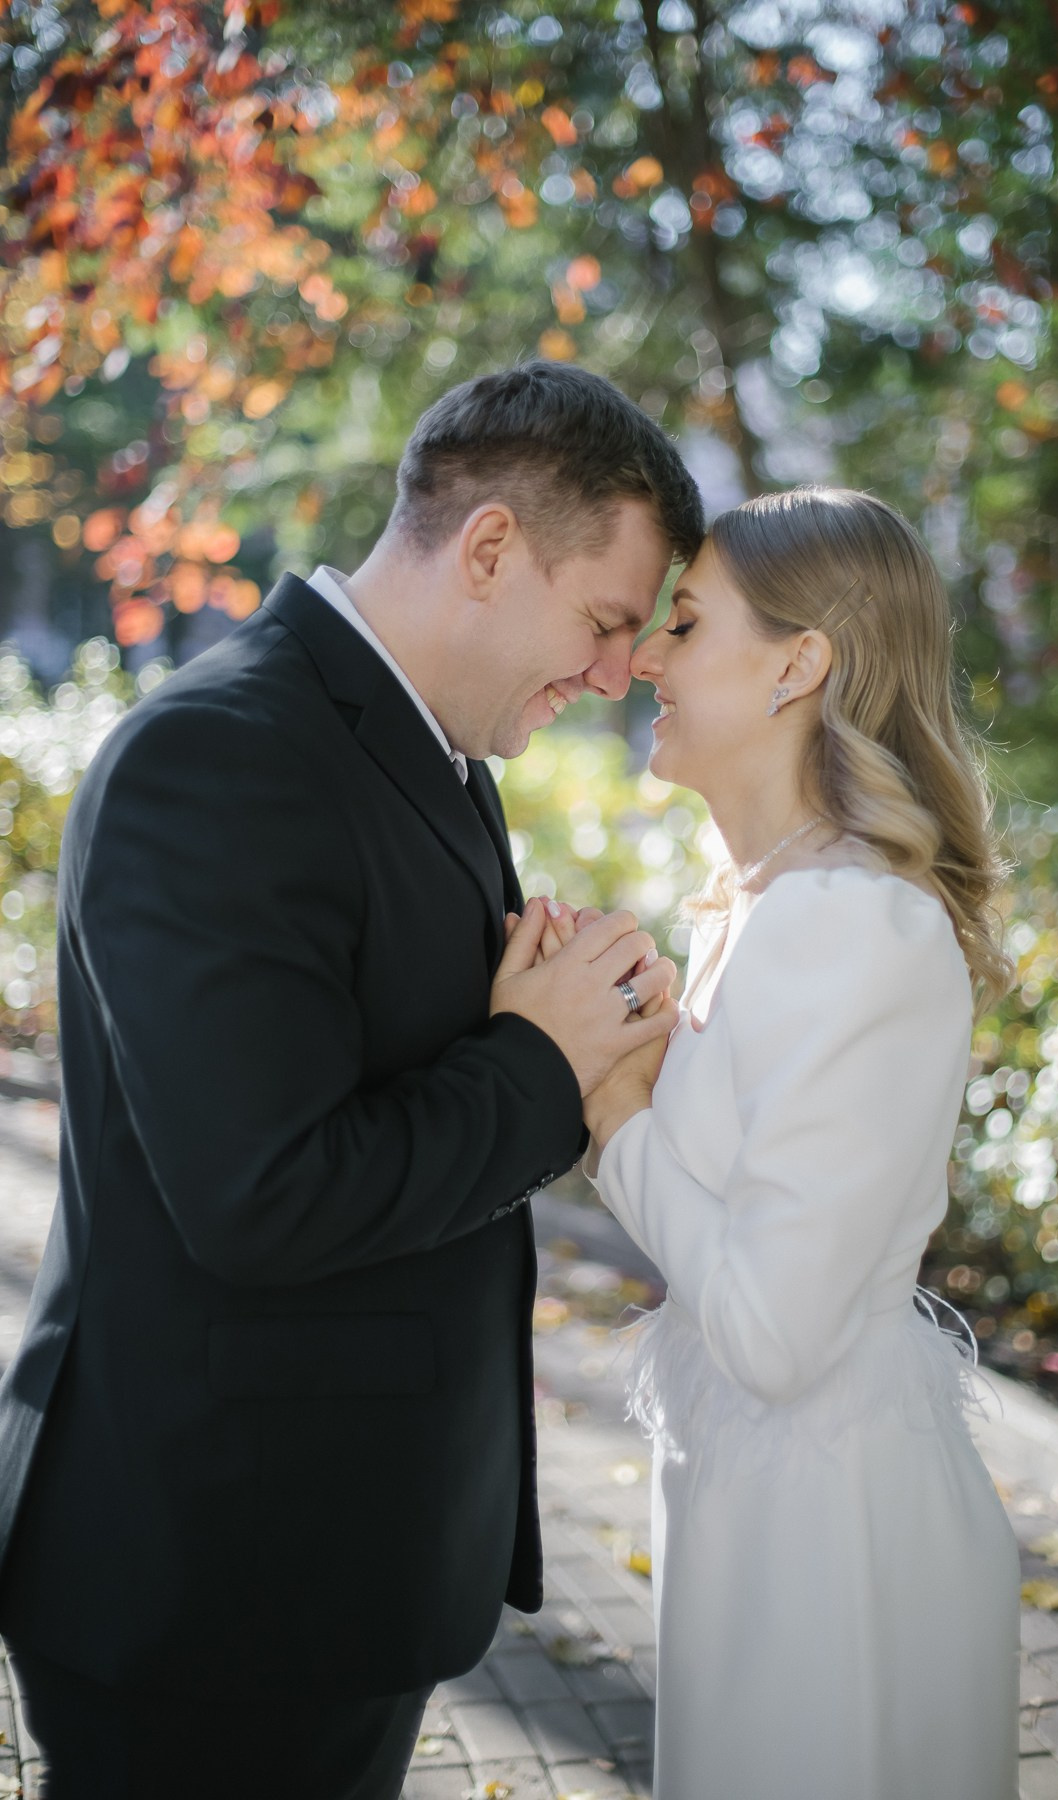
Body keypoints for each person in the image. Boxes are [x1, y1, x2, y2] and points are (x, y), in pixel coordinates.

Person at [0, 361, 702, 1799]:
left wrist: (560, 1027)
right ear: (494, 548)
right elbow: (264, 1196)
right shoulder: (218, 757)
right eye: (607, 622)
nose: (620, 675)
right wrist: (542, 1059)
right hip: (209, 1583)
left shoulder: (442, 762)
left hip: (335, 1562)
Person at [520, 485, 1021, 1799]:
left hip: (831, 1547)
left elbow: (770, 1331)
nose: (643, 660)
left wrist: (616, 1104)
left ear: (802, 664)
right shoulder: (764, 906)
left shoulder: (853, 921)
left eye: (685, 623)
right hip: (756, 1505)